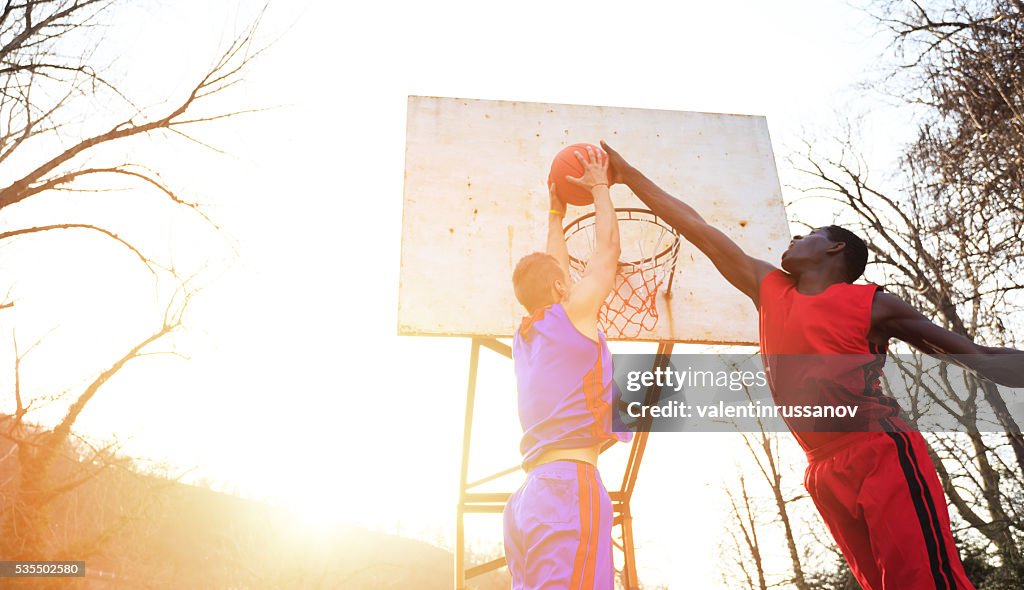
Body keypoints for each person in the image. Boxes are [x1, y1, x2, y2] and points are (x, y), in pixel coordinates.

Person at [600, 140, 1024, 590]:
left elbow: (976, 356)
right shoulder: (767, 288)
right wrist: (627, 175)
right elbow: (698, 228)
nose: (794, 239)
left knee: (921, 581)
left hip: (880, 451)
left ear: (834, 248)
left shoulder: (874, 305)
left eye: (807, 235)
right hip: (822, 470)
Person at [504, 146, 631, 590]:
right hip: (567, 487)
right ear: (561, 287)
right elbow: (609, 250)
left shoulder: (526, 334)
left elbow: (553, 266)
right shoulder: (573, 313)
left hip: (526, 500)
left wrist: (556, 213)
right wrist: (599, 185)